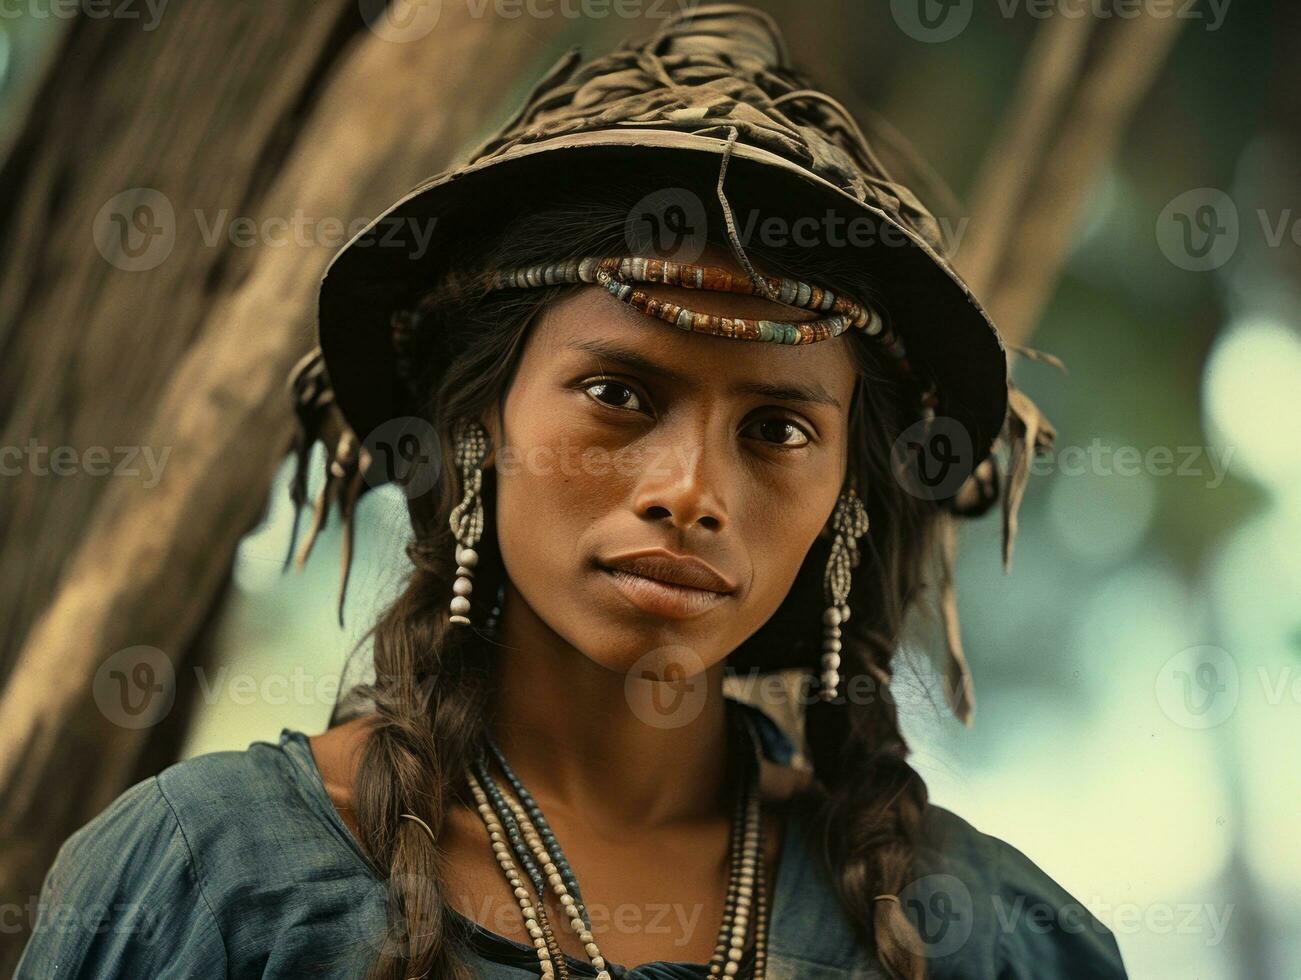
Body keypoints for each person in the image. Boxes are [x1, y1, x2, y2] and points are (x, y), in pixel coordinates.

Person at [16, 6, 1126, 979]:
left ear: (843, 494)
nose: (688, 489)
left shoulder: (994, 939)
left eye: (778, 427)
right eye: (616, 392)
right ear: (475, 426)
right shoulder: (202, 881)